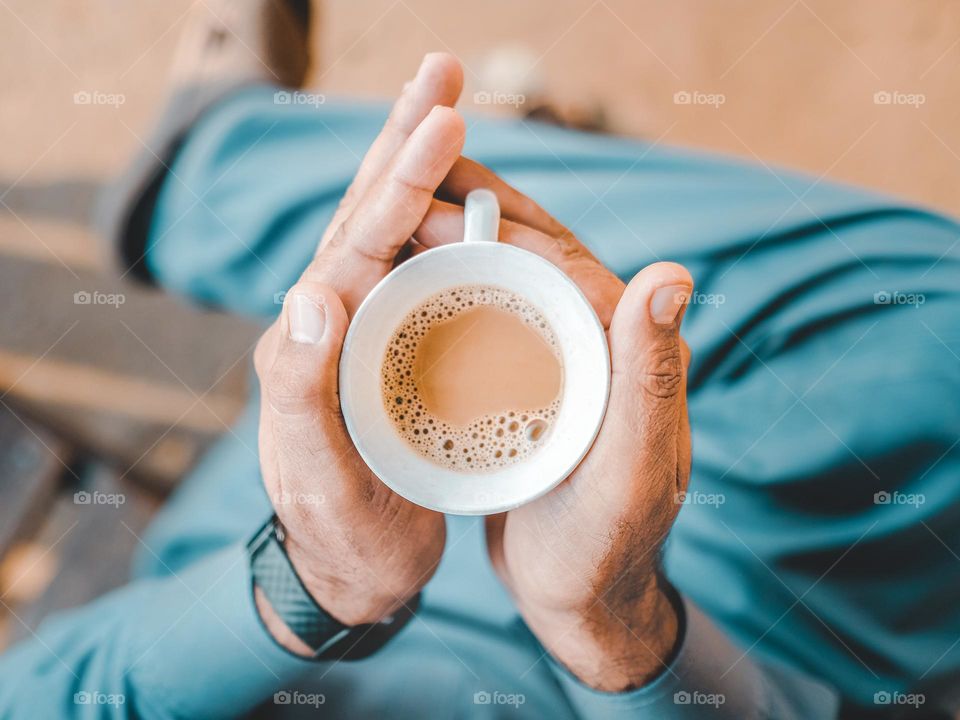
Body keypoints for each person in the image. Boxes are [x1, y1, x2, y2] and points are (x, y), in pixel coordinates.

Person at [2, 2, 959, 718]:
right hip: (726, 627)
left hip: (314, 543)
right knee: (938, 329)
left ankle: (217, 169)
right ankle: (221, 168)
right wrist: (609, 624)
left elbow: (59, 691)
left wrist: (320, 584)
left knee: (424, 239)